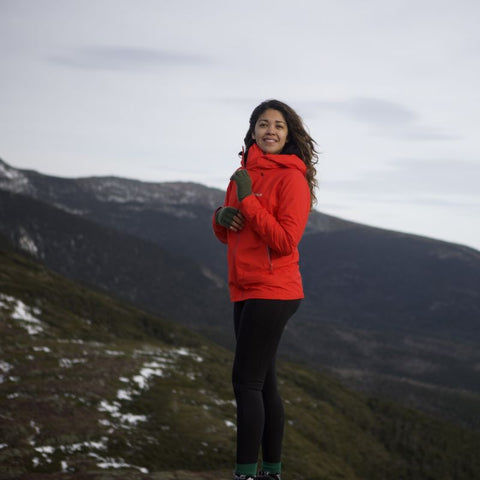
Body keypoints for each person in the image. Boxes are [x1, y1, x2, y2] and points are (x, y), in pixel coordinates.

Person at [212, 99, 318, 480]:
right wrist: (220, 218)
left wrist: (248, 199)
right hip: (245, 287)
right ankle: (271, 471)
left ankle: (245, 473)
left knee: (245, 382)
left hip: (274, 290)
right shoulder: (242, 174)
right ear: (253, 131)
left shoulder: (292, 178)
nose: (270, 130)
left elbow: (285, 240)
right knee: (263, 380)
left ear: (289, 136)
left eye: (278, 125)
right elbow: (231, 233)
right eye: (263, 124)